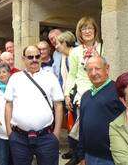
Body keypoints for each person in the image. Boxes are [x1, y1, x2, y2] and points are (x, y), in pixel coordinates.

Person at [5, 45, 64, 165]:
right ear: (23, 59)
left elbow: (58, 105)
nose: (34, 59)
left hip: (46, 138)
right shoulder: (15, 78)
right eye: (30, 57)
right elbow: (8, 105)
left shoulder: (50, 77)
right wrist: (9, 132)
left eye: (37, 56)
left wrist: (56, 133)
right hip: (19, 138)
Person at [76, 56, 125, 165]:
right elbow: (82, 128)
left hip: (112, 158)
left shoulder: (118, 92)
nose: (93, 73)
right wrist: (81, 155)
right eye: (90, 70)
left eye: (97, 68)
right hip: (89, 156)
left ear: (107, 69)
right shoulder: (86, 96)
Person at [65, 16, 102, 110]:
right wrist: (67, 94)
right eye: (84, 29)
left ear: (95, 30)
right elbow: (72, 75)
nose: (87, 31)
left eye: (90, 28)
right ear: (80, 32)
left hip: (101, 91)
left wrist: (98, 58)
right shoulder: (75, 51)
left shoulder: (103, 48)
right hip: (82, 94)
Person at [54, 31, 78, 162]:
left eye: (58, 43)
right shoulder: (63, 56)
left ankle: (77, 156)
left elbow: (74, 78)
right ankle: (74, 152)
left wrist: (69, 95)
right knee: (71, 125)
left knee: (76, 125)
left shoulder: (73, 55)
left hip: (74, 95)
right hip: (67, 95)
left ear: (64, 42)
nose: (56, 46)